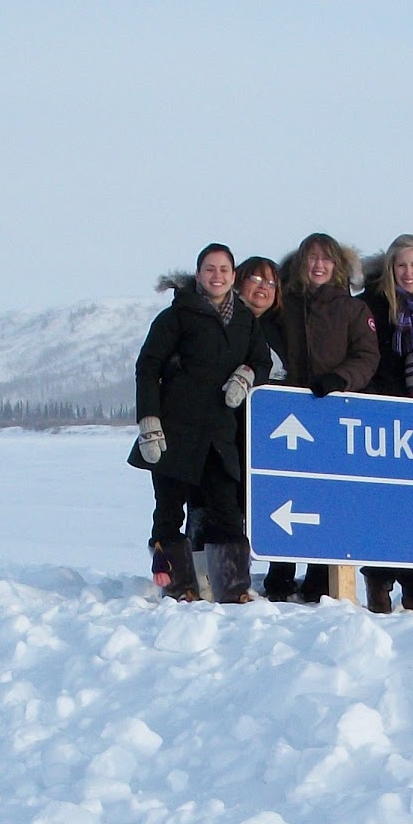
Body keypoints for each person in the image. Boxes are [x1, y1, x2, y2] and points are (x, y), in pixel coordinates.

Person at [127, 243, 270, 604]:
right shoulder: (176, 316)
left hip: (220, 435)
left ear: (233, 276)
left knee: (227, 511)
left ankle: (234, 588)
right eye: (210, 269)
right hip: (174, 431)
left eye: (224, 269)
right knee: (170, 510)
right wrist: (148, 421)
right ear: (198, 274)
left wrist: (247, 374)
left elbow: (261, 360)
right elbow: (148, 368)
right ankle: (178, 586)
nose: (217, 276)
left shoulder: (245, 320)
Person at [278, 232, 380, 602]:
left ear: (337, 266)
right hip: (284, 417)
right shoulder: (284, 305)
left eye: (326, 259)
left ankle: (320, 581)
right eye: (312, 258)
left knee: (326, 498)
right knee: (284, 493)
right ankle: (280, 576)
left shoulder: (353, 309)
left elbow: (367, 356)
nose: (318, 265)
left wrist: (341, 380)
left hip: (334, 415)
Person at [356, 234, 413, 615]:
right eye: (401, 265)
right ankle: (378, 584)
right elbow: (366, 358)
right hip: (381, 418)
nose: (408, 272)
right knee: (380, 505)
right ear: (390, 268)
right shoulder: (371, 306)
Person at [233, 255, 298, 602]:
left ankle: (280, 581)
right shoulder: (225, 321)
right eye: (255, 279)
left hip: (273, 433)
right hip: (228, 429)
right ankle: (223, 578)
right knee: (225, 507)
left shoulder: (282, 328)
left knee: (277, 504)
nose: (263, 288)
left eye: (271, 283)